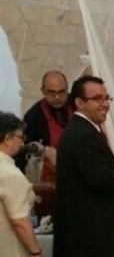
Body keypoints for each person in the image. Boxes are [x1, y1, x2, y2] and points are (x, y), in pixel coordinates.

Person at [53, 75, 114, 257]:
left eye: (106, 98)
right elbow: (98, 178)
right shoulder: (81, 134)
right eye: (97, 98)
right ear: (79, 102)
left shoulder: (86, 130)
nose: (105, 104)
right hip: (90, 240)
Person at [0, 111, 42, 257]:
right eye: (20, 137)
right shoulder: (10, 173)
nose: (22, 143)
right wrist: (36, 252)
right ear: (7, 138)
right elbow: (20, 221)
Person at [16, 70, 74, 178]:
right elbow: (22, 153)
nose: (57, 97)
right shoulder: (33, 116)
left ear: (67, 89)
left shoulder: (78, 106)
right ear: (43, 91)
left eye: (61, 92)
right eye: (51, 93)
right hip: (52, 179)